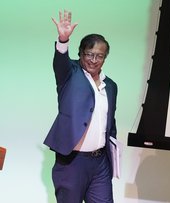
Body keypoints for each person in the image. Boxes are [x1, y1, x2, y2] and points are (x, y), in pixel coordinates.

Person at [43, 10, 117, 203]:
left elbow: (111, 122)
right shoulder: (70, 74)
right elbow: (60, 61)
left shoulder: (111, 86)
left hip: (100, 163)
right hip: (72, 162)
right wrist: (63, 39)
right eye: (89, 54)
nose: (93, 60)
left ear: (104, 58)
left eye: (99, 56)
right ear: (80, 53)